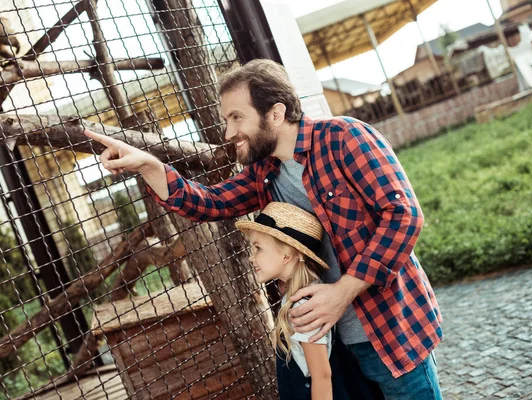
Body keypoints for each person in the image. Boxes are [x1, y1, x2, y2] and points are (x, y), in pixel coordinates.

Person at [84, 58, 443, 399]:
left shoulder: (344, 137)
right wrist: (148, 166)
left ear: (276, 113)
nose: (228, 132)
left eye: (237, 117)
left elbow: (404, 216)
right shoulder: (265, 173)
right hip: (333, 344)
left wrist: (342, 293)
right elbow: (208, 203)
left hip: (387, 330)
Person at [236, 201, 351, 400]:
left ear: (287, 254)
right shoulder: (296, 295)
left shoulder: (303, 306)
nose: (251, 258)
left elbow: (322, 376)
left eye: (258, 248)